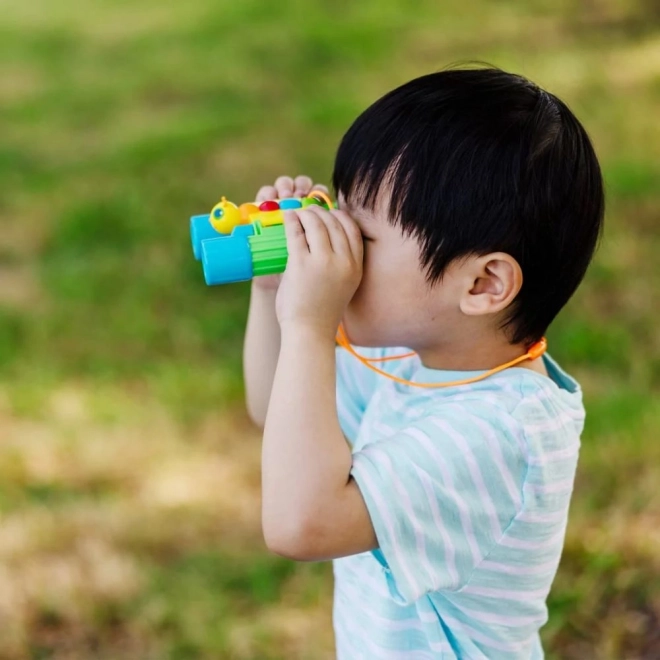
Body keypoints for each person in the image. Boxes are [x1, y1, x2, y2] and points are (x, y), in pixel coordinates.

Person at [243, 65, 604, 659]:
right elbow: (270, 410)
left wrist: (309, 326)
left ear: (484, 284)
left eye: (364, 236)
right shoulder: (416, 361)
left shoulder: (497, 433)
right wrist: (271, 293)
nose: (342, 249)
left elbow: (300, 522)